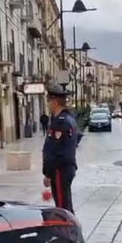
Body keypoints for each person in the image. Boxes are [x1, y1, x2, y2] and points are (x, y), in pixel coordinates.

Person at [42, 84, 78, 213]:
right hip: (65, 168)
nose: (48, 104)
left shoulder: (60, 122)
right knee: (64, 204)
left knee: (63, 208)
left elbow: (55, 151)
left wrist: (48, 174)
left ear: (55, 102)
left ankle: (68, 232)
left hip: (59, 170)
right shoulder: (68, 118)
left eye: (48, 101)